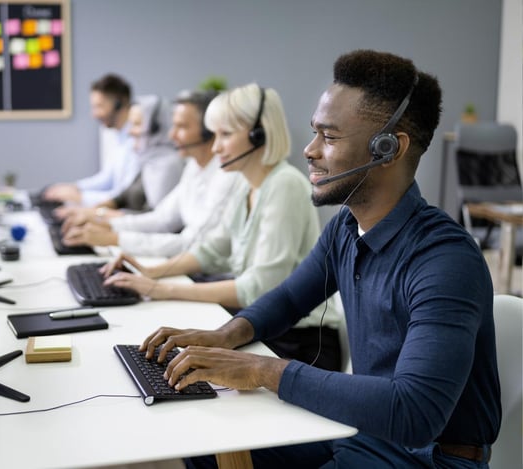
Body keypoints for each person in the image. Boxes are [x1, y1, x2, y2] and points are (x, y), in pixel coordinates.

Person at [139, 50, 501, 468]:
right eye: (315, 133)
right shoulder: (346, 229)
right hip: (366, 434)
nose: (309, 151)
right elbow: (290, 299)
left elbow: (414, 413)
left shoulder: (445, 261)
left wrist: (263, 371)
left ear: (389, 148)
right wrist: (225, 336)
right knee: (206, 447)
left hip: (429, 457)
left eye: (328, 138)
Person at [104, 83, 343, 370]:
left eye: (225, 135)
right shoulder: (246, 183)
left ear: (259, 135)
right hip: (261, 327)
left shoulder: (285, 185)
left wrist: (161, 288)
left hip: (301, 344)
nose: (215, 147)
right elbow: (212, 250)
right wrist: (151, 272)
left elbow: (259, 287)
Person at [59, 90, 236, 258]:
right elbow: (161, 218)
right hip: (181, 257)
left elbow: (193, 243)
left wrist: (114, 237)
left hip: (200, 267)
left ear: (209, 132)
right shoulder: (193, 167)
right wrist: (106, 224)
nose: (172, 135)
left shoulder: (225, 176)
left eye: (181, 127)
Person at [53, 95, 184, 223]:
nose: (129, 132)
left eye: (137, 124)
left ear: (156, 127)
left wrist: (99, 215)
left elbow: (156, 218)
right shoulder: (150, 159)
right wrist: (89, 211)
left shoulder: (168, 165)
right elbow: (123, 196)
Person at [42, 73, 140, 207]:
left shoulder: (137, 141)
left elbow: (123, 196)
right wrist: (75, 187)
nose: (94, 115)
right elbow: (107, 179)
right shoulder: (120, 138)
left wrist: (80, 196)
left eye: (99, 106)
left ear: (118, 104)